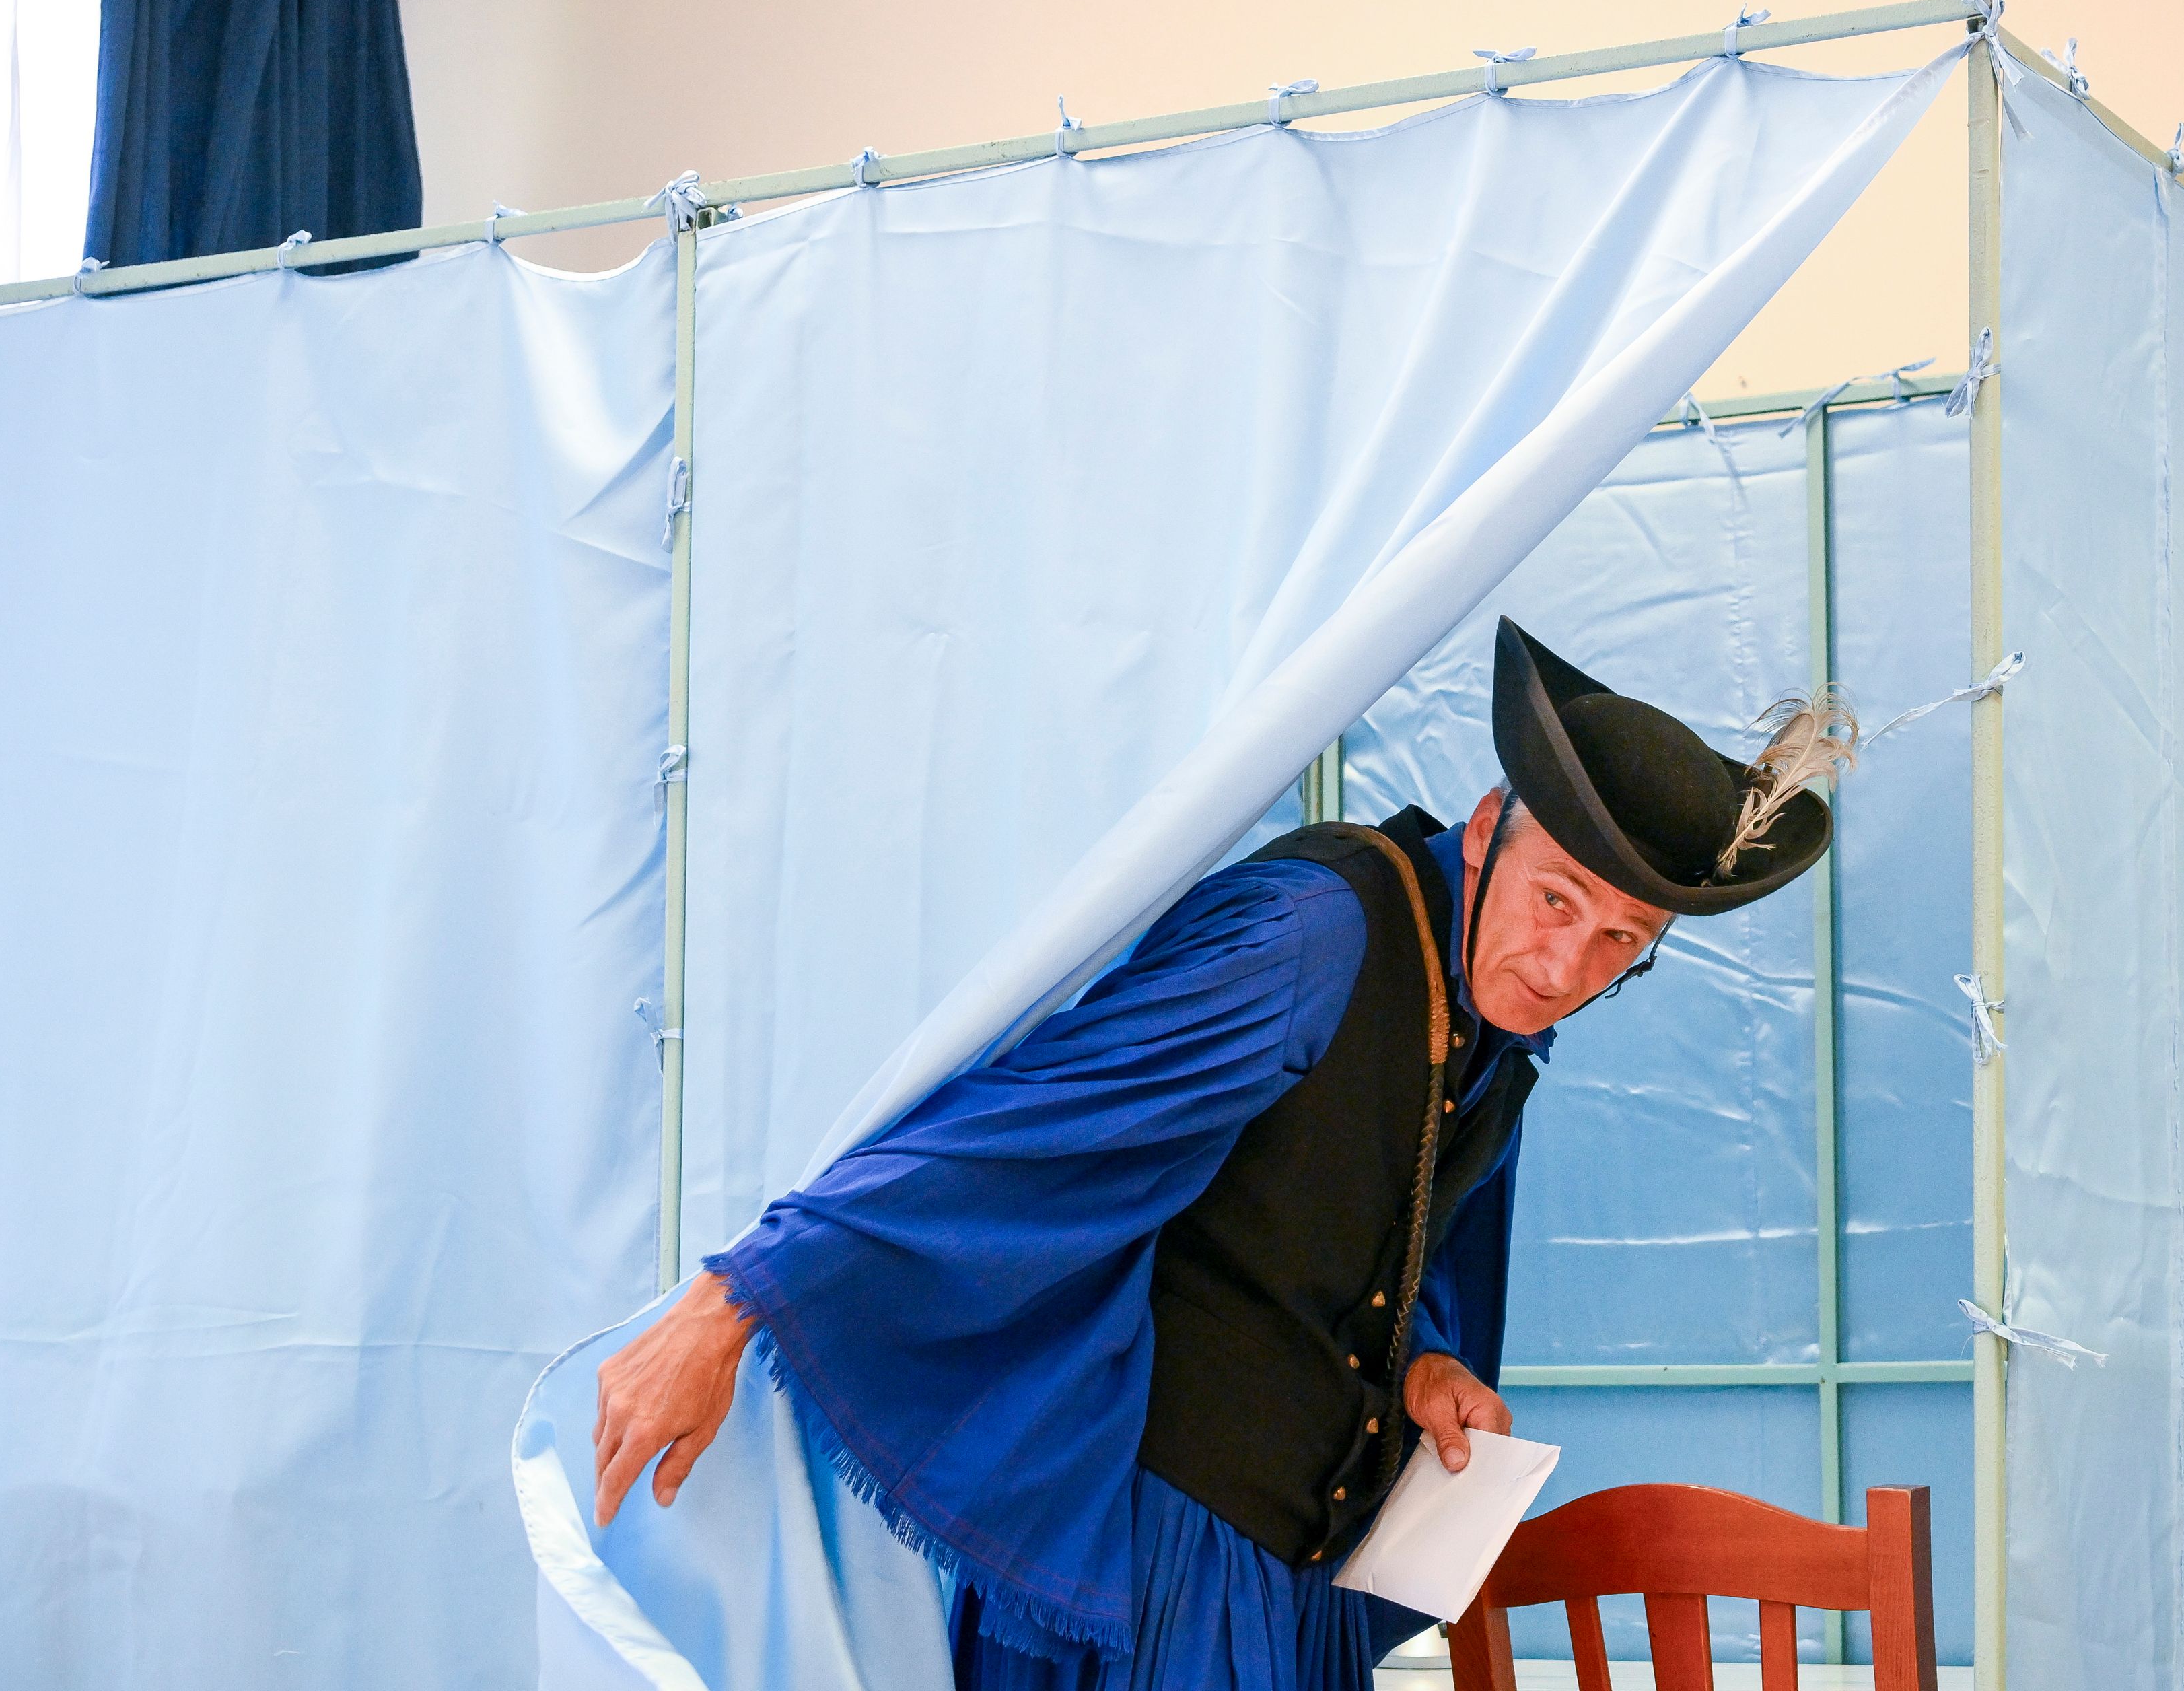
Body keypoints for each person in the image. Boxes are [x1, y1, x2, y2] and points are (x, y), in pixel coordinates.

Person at [588, 617, 1854, 1690]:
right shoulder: (1317, 934)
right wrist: (733, 1300)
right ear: (1485, 832)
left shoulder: (1492, 1033)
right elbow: (1035, 1126)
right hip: (1157, 1574)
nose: (1565, 971)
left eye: (1620, 943)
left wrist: (1419, 1365)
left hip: (1289, 1593)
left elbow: (1339, 1235)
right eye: (1557, 902)